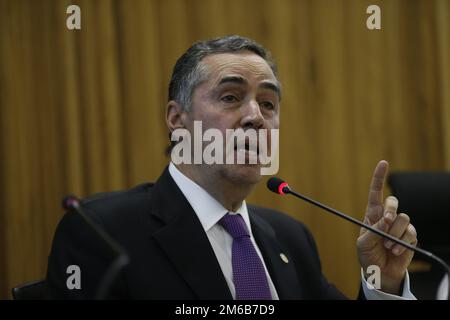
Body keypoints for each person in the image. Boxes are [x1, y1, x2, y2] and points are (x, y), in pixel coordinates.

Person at [46, 35, 417, 299]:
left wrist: (382, 283)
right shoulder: (101, 233)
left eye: (268, 104)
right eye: (230, 97)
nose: (255, 116)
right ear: (177, 119)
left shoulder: (291, 239)